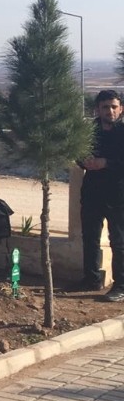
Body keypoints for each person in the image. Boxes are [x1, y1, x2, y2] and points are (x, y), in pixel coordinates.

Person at [78, 90, 124, 299]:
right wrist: (85, 161)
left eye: (114, 107)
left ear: (120, 109)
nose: (110, 111)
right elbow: (77, 154)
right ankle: (91, 279)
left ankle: (120, 286)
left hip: (118, 194)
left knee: (119, 240)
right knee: (90, 238)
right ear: (97, 109)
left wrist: (107, 163)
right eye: (105, 107)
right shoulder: (88, 132)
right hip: (92, 192)